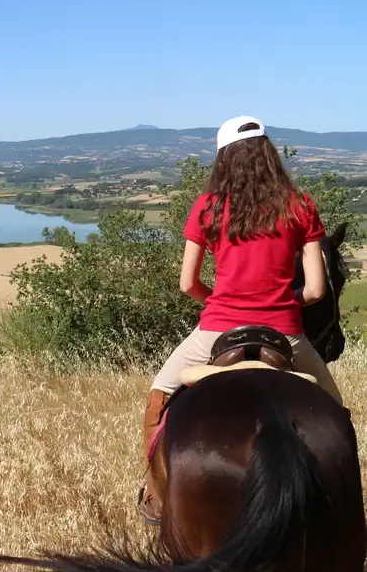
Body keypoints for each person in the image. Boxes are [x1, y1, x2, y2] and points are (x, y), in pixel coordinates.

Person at [137, 116, 344, 524]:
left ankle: (155, 493)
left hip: (217, 327)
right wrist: (281, 301)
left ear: (223, 159)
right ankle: (338, 502)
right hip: (284, 330)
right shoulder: (300, 206)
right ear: (268, 153)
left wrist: (222, 301)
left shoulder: (208, 207)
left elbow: (186, 284)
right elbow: (317, 291)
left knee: (159, 395)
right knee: (334, 413)